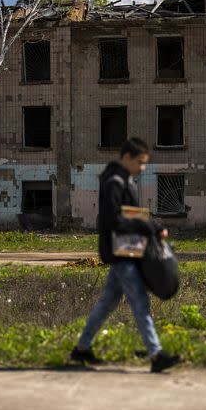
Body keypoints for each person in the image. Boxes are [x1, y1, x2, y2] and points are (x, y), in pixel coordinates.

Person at [70, 137, 181, 373]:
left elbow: (131, 213)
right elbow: (113, 220)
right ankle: (156, 354)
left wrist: (153, 225)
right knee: (140, 302)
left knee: (107, 303)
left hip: (125, 249)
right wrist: (149, 228)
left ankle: (81, 349)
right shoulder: (115, 181)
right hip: (121, 250)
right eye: (140, 163)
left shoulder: (122, 179)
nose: (142, 168)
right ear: (127, 157)